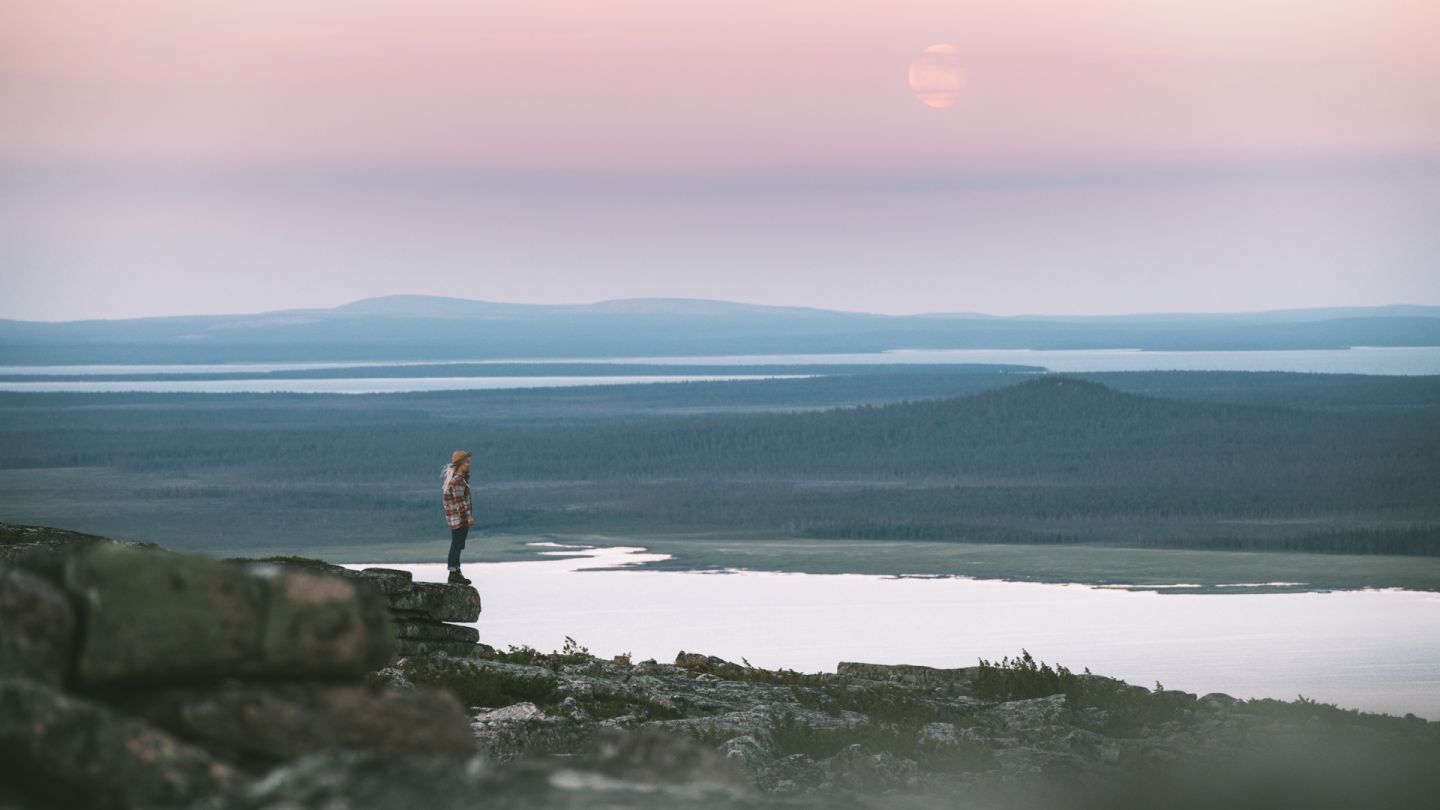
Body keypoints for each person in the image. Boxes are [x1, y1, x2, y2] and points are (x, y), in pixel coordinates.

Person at [442, 450, 475, 585]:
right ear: (461, 464)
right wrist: (467, 517)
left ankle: (455, 571)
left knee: (457, 544)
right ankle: (454, 572)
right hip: (458, 518)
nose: (469, 465)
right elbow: (460, 501)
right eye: (467, 462)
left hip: (455, 518)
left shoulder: (458, 480)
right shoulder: (458, 481)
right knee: (456, 544)